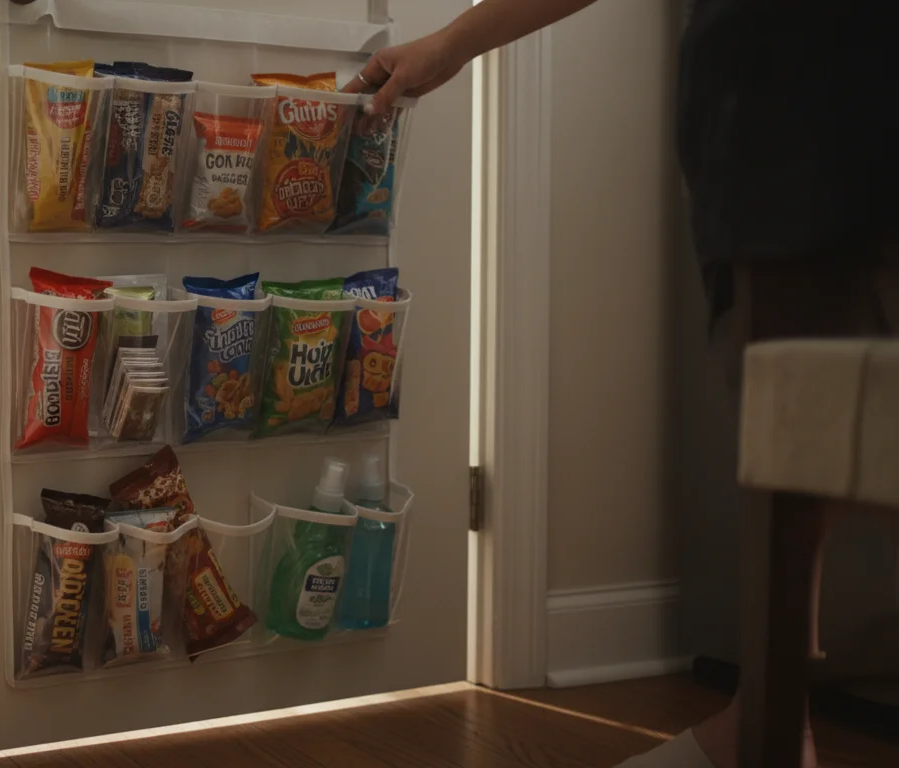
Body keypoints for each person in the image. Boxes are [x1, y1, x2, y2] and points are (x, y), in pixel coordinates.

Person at [344, 1, 897, 766]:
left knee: (810, 422)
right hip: (784, 90)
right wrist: (453, 42)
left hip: (794, 86)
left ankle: (765, 732)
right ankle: (766, 726)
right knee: (799, 424)